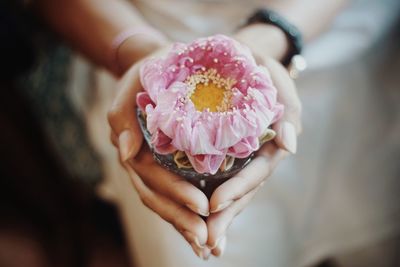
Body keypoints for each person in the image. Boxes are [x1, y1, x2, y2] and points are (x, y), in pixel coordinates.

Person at [28, 0, 400, 266]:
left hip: (335, 39)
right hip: (136, 43)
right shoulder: (158, 94)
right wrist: (137, 50)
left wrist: (273, 35)